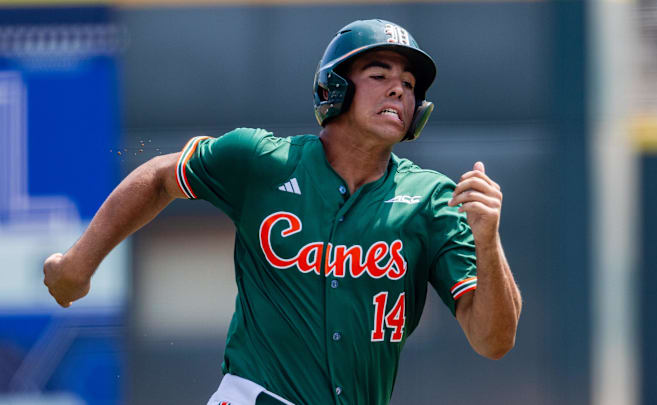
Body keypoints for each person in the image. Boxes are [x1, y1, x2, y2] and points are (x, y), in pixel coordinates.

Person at [43, 19, 522, 405]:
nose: (399, 90)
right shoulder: (262, 160)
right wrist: (78, 263)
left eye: (410, 84)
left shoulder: (433, 200)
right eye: (380, 76)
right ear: (334, 88)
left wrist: (488, 241)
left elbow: (492, 341)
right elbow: (160, 176)